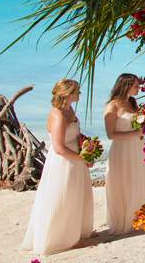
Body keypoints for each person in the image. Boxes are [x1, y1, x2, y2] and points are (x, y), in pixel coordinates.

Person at [21, 79, 94, 254]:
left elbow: (74, 133)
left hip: (75, 159)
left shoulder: (70, 110)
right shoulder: (58, 115)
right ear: (68, 94)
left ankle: (74, 232)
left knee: (75, 196)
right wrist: (81, 158)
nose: (80, 94)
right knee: (61, 196)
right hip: (64, 162)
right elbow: (59, 147)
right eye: (77, 91)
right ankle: (56, 238)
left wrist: (87, 143)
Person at [103, 73, 145, 234]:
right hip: (122, 150)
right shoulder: (112, 106)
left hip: (138, 148)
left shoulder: (132, 102)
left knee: (139, 180)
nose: (139, 88)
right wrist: (136, 133)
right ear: (126, 86)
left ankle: (139, 217)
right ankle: (126, 220)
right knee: (124, 182)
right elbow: (110, 134)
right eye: (136, 86)